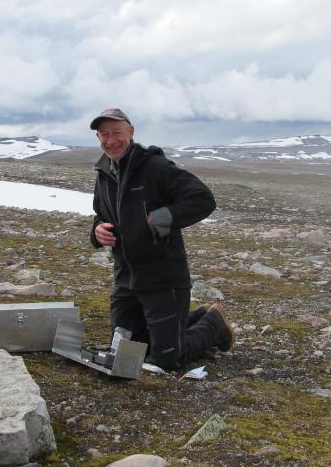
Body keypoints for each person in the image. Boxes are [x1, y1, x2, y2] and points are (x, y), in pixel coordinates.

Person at [89, 107, 235, 371]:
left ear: (131, 132)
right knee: (126, 352)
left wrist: (161, 219)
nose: (110, 141)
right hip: (126, 280)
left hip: (163, 280)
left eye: (116, 133)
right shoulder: (104, 173)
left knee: (167, 360)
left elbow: (203, 199)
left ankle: (213, 323)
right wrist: (97, 231)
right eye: (103, 135)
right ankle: (193, 318)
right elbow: (100, 214)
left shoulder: (155, 167)